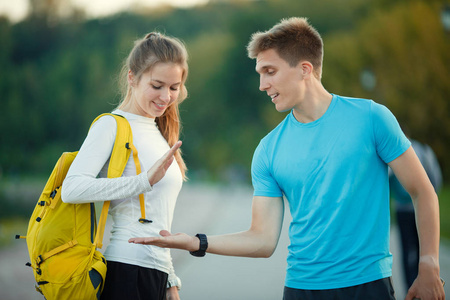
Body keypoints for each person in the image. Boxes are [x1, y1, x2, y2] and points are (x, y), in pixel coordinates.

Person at [129, 17, 445, 300]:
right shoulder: (268, 149)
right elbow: (263, 239)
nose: (262, 84)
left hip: (367, 286)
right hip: (300, 289)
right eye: (260, 73)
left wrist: (429, 264)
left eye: (270, 72)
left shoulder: (372, 118)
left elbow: (422, 190)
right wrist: (196, 242)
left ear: (305, 69)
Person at [61, 32, 189, 300]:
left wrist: (171, 281)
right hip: (126, 270)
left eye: (174, 87)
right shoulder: (111, 125)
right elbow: (71, 189)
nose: (166, 97)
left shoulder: (160, 131)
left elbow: (159, 219)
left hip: (157, 273)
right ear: (132, 78)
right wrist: (143, 181)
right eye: (157, 85)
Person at [390, 134, 443, 291]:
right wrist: (431, 199)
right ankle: (424, 284)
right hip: (420, 208)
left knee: (407, 250)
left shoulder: (395, 150)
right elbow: (436, 177)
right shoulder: (424, 150)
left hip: (403, 208)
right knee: (424, 249)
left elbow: (387, 178)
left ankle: (410, 287)